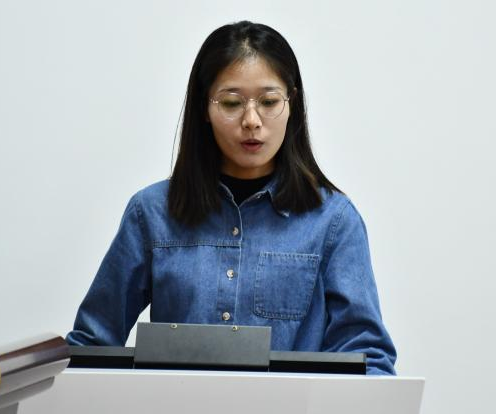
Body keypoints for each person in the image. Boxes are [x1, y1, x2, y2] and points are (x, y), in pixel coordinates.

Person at [66, 21, 396, 375]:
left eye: (269, 101)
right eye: (231, 102)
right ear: (204, 109)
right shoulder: (151, 213)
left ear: (292, 104)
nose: (251, 121)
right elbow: (91, 347)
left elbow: (367, 359)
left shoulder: (333, 220)